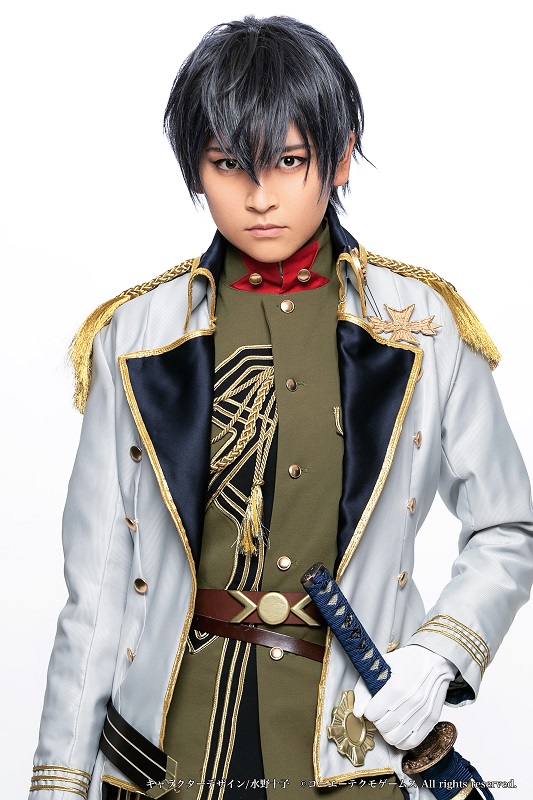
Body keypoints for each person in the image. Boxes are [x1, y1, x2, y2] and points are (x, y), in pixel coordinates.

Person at [29, 15, 533, 800]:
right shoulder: (134, 335)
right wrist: (57, 785)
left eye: (289, 161)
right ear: (196, 168)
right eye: (229, 165)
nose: (259, 197)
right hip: (168, 757)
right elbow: (95, 591)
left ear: (340, 155)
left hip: (353, 748)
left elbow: (507, 524)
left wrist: (439, 654)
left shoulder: (425, 327)